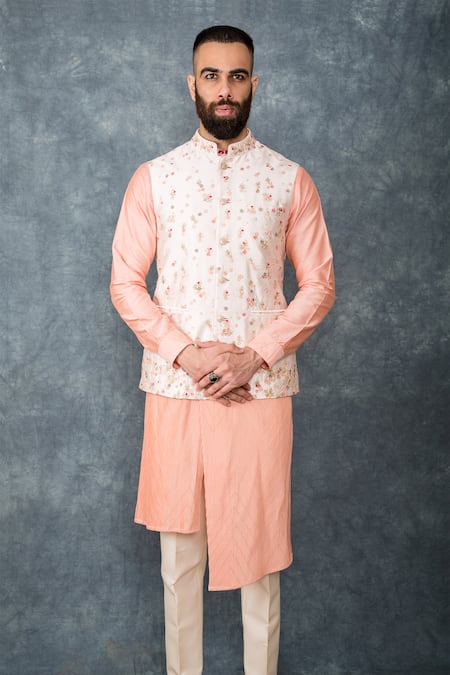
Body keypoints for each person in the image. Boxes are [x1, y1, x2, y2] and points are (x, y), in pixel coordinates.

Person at [110, 25, 335, 675]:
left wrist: (254, 356)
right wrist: (186, 354)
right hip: (175, 389)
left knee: (260, 560)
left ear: (254, 84)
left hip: (258, 391)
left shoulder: (289, 180)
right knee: (179, 561)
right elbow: (126, 282)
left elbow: (319, 285)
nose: (225, 89)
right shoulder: (155, 179)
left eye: (237, 76)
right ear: (193, 85)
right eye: (212, 76)